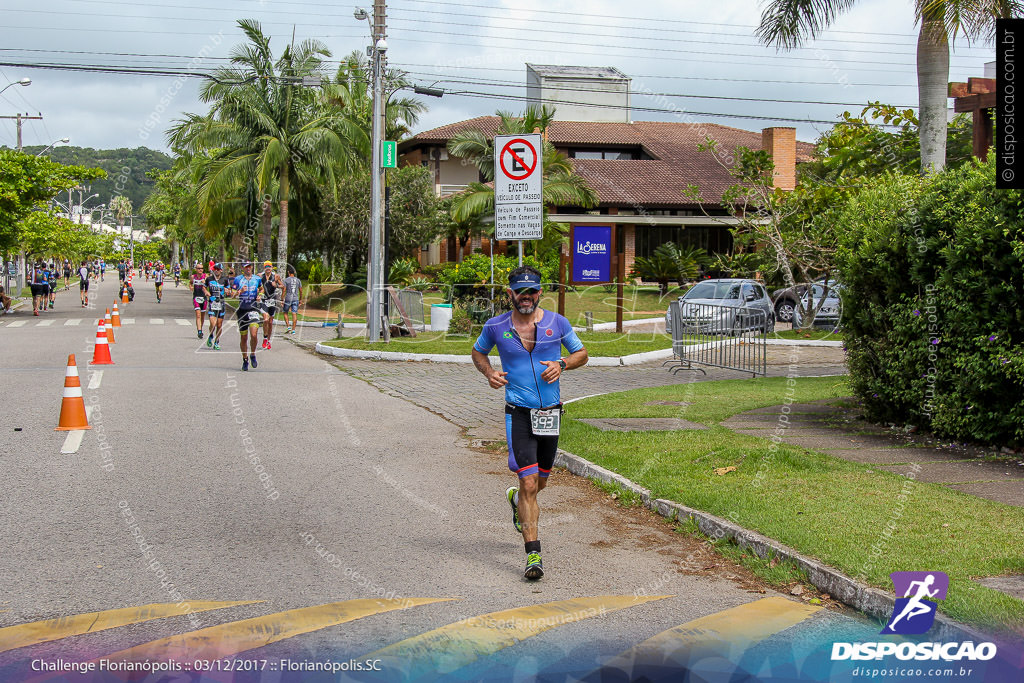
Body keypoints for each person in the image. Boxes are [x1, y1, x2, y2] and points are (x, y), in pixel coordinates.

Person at [470, 266, 588, 581]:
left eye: (532, 292)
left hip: (550, 413)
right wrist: (489, 372)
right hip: (518, 413)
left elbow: (582, 353)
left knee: (542, 483)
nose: (526, 298)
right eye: (520, 292)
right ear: (510, 294)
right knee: (529, 483)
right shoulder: (495, 327)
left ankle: (516, 502)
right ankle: (533, 554)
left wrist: (562, 363)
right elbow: (478, 353)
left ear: (539, 292)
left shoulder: (558, 323)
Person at [229, 262, 263, 371]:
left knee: (254, 334)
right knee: (244, 337)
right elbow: (232, 295)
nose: (248, 269)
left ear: (252, 267)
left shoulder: (257, 279)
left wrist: (259, 296)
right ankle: (245, 359)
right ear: (243, 268)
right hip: (242, 311)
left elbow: (261, 289)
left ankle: (253, 354)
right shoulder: (238, 279)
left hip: (253, 309)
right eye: (246, 267)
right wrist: (240, 291)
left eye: (249, 267)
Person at [258, 261, 283, 349]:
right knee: (265, 319)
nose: (268, 268)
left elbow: (282, 286)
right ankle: (265, 339)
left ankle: (268, 340)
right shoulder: (260, 276)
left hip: (272, 300)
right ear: (264, 268)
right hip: (264, 300)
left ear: (272, 267)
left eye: (269, 266)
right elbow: (257, 286)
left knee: (270, 322)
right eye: (266, 266)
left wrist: (276, 285)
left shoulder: (276, 276)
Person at [204, 263, 229, 350]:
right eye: (215, 269)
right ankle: (211, 335)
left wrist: (227, 291)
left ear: (221, 270)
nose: (216, 270)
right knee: (213, 323)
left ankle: (217, 341)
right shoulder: (209, 279)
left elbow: (229, 289)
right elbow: (204, 287)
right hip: (212, 303)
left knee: (219, 325)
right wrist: (206, 292)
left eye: (218, 269)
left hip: (221, 304)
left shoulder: (224, 280)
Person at [281, 266, 302, 334]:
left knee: (285, 312)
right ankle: (293, 330)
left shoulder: (286, 280)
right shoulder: (298, 280)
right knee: (294, 313)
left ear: (288, 273)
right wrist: (300, 299)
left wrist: (282, 299)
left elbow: (284, 290)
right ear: (294, 272)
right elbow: (301, 291)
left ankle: (288, 327)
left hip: (288, 298)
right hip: (296, 298)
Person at [191, 264, 207, 338]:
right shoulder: (193, 277)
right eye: (199, 268)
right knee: (198, 315)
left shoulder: (205, 276)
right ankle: (199, 331)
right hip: (196, 297)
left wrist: (205, 283)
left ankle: (201, 327)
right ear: (196, 269)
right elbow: (190, 283)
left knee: (202, 316)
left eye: (202, 268)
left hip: (204, 298)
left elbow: (209, 285)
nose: (200, 269)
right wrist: (191, 287)